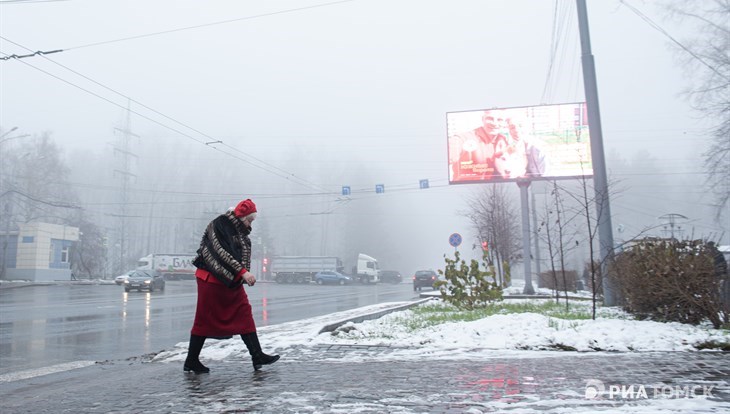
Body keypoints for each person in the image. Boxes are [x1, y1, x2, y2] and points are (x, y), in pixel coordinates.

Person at [183, 198, 280, 373]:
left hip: (229, 280)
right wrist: (243, 272)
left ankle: (257, 355)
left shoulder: (239, 229)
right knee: (204, 319)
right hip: (211, 279)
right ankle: (191, 360)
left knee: (244, 311)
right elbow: (221, 253)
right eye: (250, 219)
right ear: (241, 215)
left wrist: (241, 274)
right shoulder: (220, 224)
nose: (251, 223)